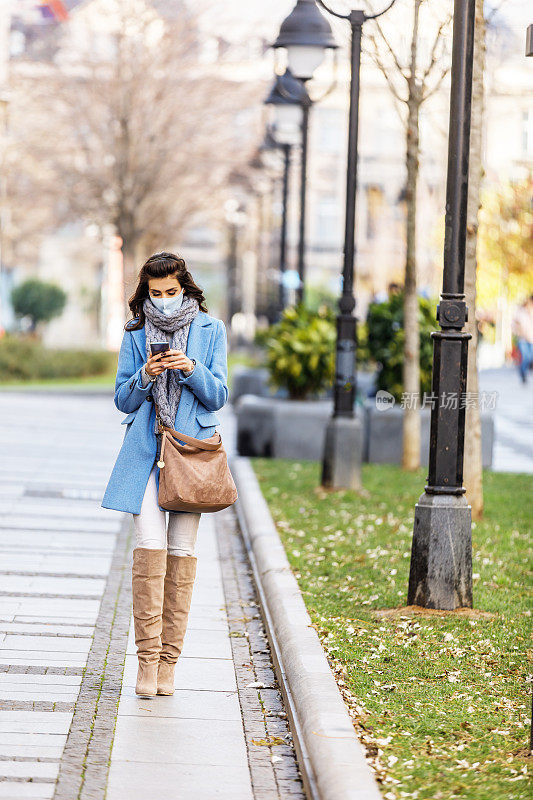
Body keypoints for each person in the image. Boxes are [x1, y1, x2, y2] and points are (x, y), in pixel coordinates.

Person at [101, 252, 228, 697]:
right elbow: (122, 399)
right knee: (149, 550)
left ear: (185, 288)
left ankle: (169, 664)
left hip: (190, 456)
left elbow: (219, 397)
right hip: (145, 454)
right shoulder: (135, 333)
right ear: (146, 293)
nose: (164, 300)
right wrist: (144, 374)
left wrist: (191, 369)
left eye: (171, 292)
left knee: (181, 555)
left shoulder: (212, 331)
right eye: (156, 294)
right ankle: (147, 663)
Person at [512, 295, 533, 384]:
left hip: (531, 339)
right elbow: (515, 324)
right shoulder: (521, 313)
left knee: (530, 357)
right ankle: (522, 373)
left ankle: (523, 371)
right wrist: (519, 332)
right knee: (526, 357)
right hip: (523, 339)